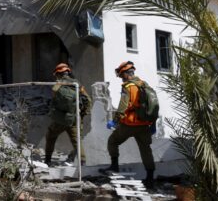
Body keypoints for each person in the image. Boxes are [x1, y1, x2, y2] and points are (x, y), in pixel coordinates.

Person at [99, 61, 156, 189]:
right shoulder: (144, 85)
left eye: (121, 75)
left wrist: (115, 121)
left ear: (125, 74)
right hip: (144, 124)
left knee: (113, 141)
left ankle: (114, 166)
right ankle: (150, 179)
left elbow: (123, 106)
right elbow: (154, 105)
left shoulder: (128, 86)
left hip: (129, 124)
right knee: (146, 150)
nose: (121, 77)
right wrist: (153, 124)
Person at [44, 63, 90, 166]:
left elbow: (54, 99)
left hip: (61, 119)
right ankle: (83, 164)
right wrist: (82, 113)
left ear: (58, 74)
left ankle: (47, 160)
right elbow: (87, 99)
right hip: (74, 118)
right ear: (68, 72)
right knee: (77, 141)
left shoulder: (58, 85)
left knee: (50, 136)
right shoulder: (77, 84)